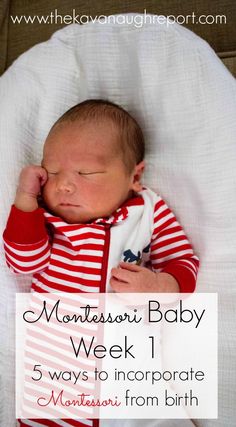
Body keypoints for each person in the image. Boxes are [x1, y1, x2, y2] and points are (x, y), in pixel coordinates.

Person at [3, 99, 199, 427]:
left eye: (86, 172)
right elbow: (22, 263)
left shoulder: (147, 213)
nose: (64, 184)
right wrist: (25, 200)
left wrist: (159, 286)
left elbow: (184, 262)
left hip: (132, 387)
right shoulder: (47, 218)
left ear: (134, 177)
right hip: (55, 391)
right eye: (52, 172)